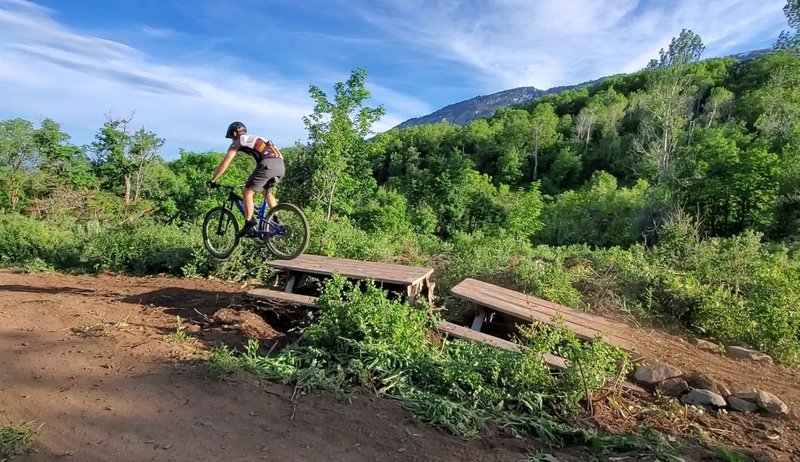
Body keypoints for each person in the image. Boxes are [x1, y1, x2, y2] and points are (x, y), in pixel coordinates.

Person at [207, 121, 285, 237]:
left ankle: (249, 225)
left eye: (231, 138)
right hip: (281, 166)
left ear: (234, 133)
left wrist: (213, 179)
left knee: (247, 192)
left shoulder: (239, 141)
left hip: (268, 164)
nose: (232, 141)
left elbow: (225, 164)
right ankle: (276, 220)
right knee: (267, 192)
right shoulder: (255, 138)